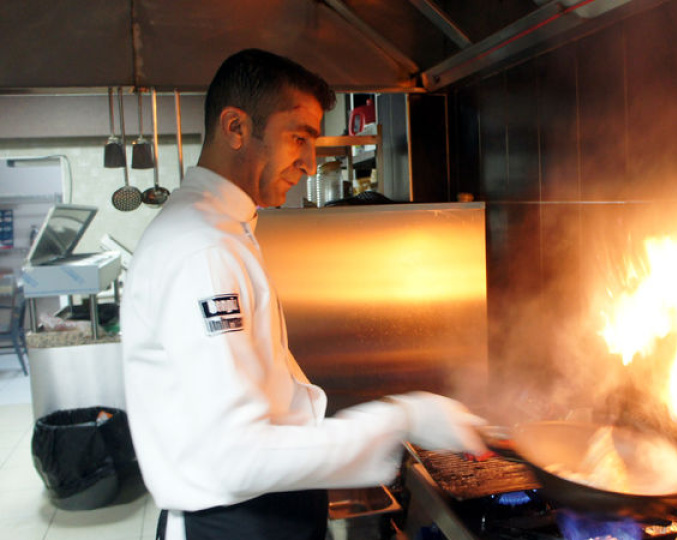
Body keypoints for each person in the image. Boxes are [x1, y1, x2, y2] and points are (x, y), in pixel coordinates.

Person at [121, 48, 486, 540]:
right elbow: (235, 456)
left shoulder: (223, 231)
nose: (311, 165)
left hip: (264, 512)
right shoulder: (202, 250)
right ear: (236, 127)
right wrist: (402, 418)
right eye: (299, 138)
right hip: (234, 525)